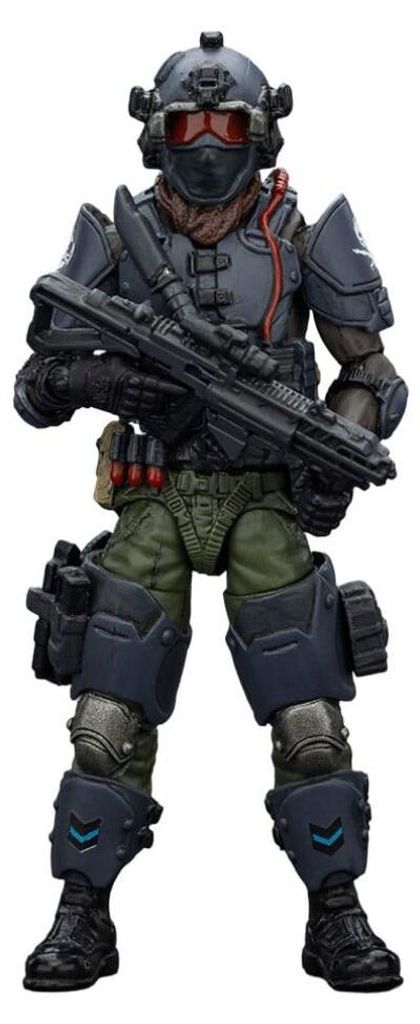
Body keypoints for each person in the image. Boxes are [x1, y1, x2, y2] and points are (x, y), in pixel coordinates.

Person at [15, 32, 407, 992]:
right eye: (187, 124)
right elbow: (35, 383)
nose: (203, 143)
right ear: (157, 131)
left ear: (258, 132)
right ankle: (81, 910)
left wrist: (332, 457)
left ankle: (336, 910)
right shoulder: (118, 238)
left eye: (224, 125)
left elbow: (373, 374)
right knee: (107, 707)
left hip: (265, 497)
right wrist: (108, 383)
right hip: (153, 495)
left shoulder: (302, 237)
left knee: (307, 707)